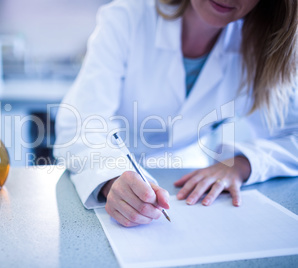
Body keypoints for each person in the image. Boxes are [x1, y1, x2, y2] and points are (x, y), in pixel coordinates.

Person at [53, 0, 298, 227]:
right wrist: (111, 178)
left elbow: (293, 135)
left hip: (186, 177)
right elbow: (79, 124)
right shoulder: (128, 16)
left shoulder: (266, 43)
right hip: (105, 161)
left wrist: (243, 164)